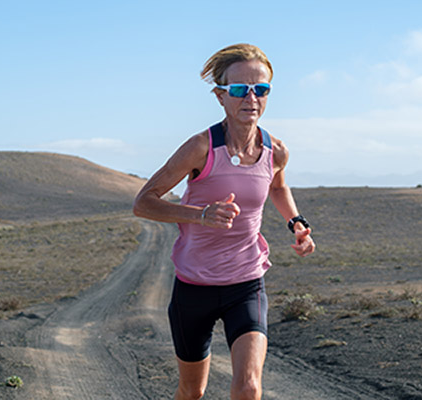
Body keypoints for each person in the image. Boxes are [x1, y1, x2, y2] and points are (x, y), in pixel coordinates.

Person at [133, 43, 315, 400]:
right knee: (192, 391)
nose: (251, 97)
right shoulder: (201, 148)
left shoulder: (276, 150)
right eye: (239, 89)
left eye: (261, 89)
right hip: (194, 286)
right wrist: (200, 216)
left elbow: (277, 185)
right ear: (220, 96)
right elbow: (144, 203)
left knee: (248, 388)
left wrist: (295, 221)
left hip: (246, 283)